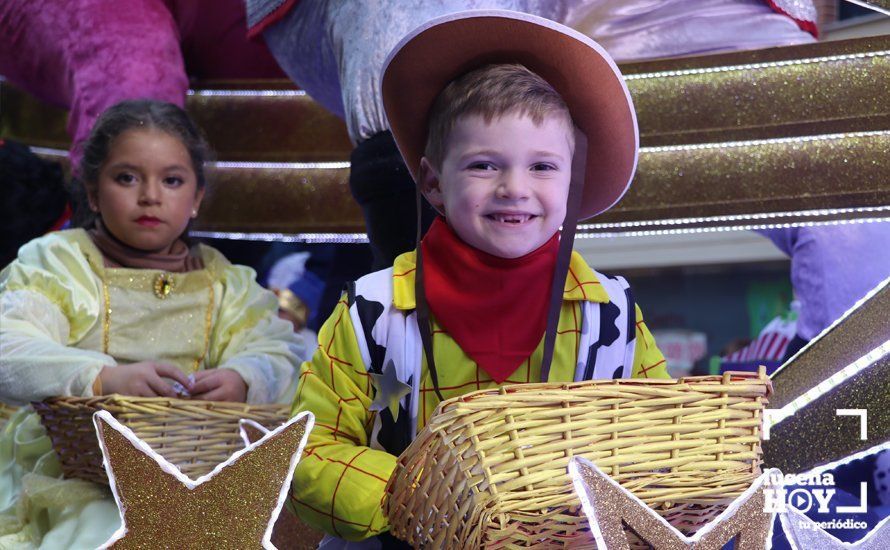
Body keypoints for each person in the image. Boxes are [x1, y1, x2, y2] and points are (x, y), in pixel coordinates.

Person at [289, 11, 668, 547]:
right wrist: (410, 494)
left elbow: (661, 439)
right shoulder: (370, 314)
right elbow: (309, 450)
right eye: (484, 166)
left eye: (542, 167)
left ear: (572, 182)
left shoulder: (611, 315)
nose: (515, 188)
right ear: (433, 181)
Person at [0, 100, 302, 548]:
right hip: (76, 475)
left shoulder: (227, 284)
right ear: (92, 191)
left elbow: (283, 353)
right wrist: (102, 377)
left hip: (200, 475)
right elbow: (8, 347)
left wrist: (246, 377)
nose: (150, 196)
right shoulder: (59, 263)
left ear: (196, 198)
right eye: (126, 178)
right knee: (108, 530)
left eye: (172, 180)